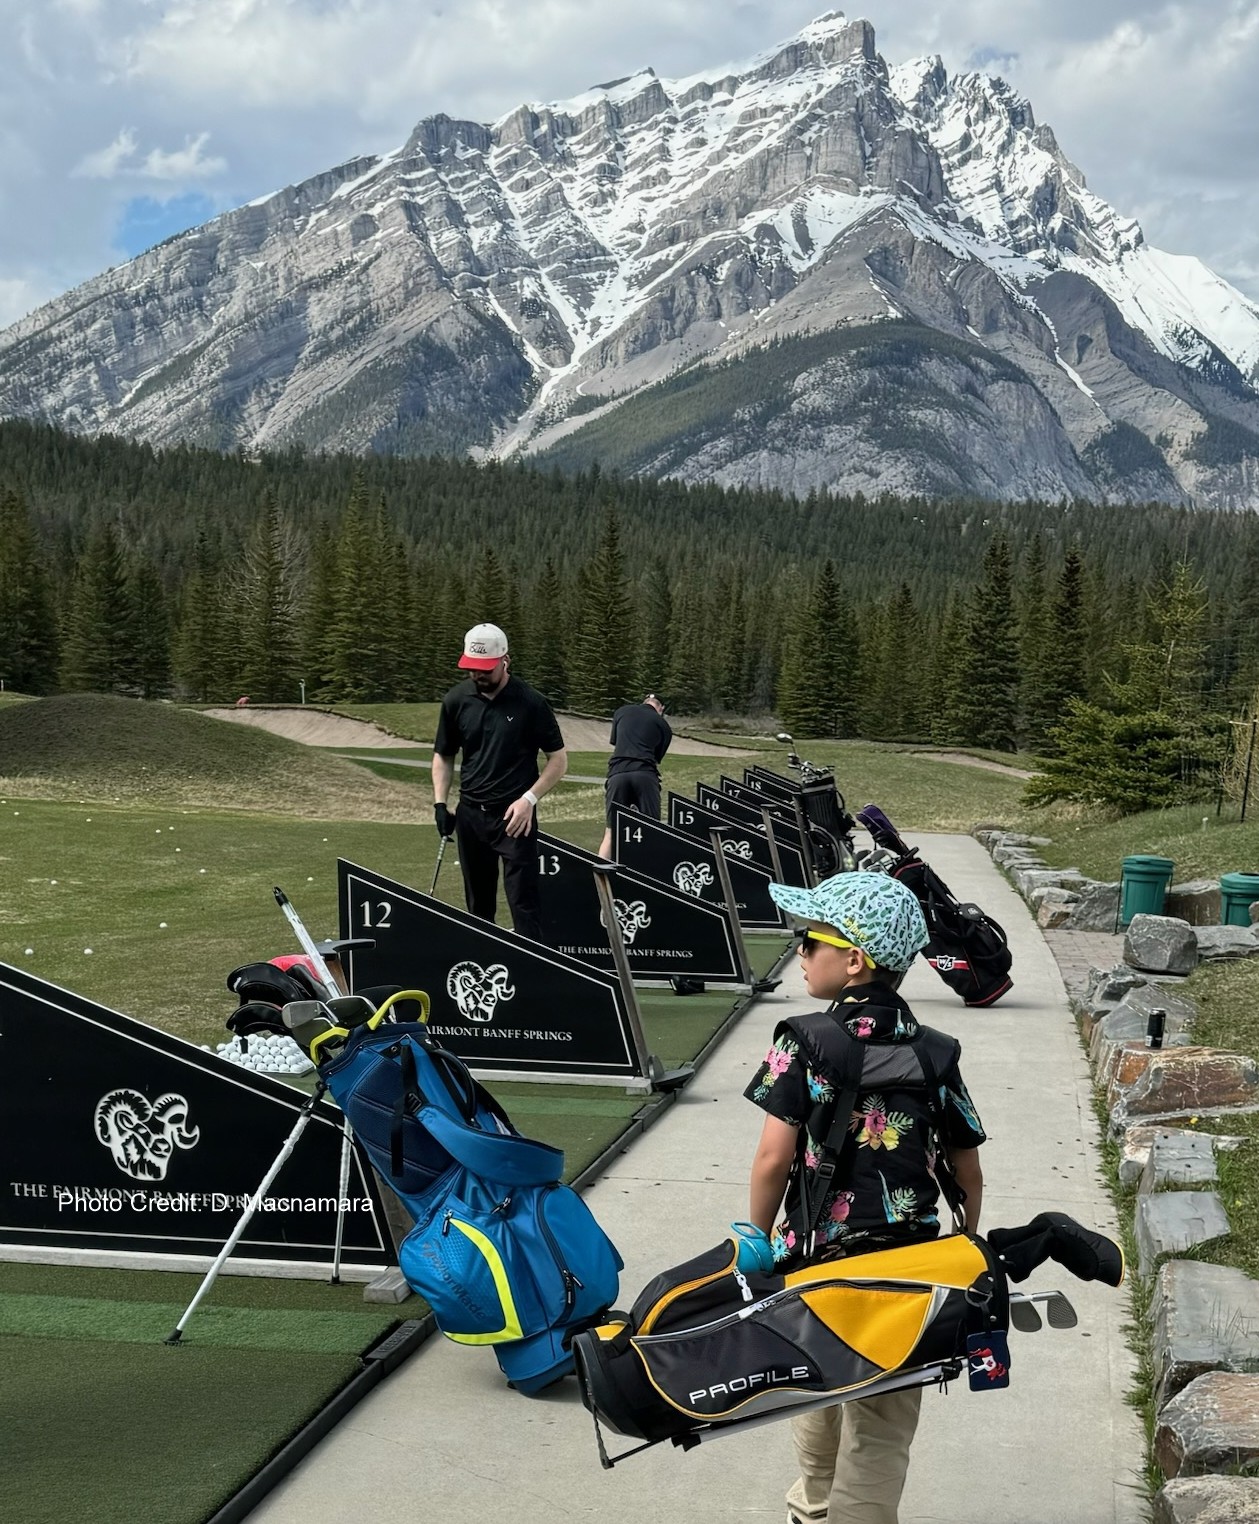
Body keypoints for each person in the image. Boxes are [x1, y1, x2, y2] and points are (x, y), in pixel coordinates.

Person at [742, 871, 987, 1524]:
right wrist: (963, 1248)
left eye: (807, 938)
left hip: (813, 1266)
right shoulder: (936, 1053)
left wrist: (752, 1235)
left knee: (814, 1389)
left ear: (852, 960)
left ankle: (812, 1508)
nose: (799, 950)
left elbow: (772, 1157)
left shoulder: (802, 1041)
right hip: (905, 1274)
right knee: (880, 1423)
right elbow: (966, 1171)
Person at [431, 623, 567, 943]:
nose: (478, 676)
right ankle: (485, 974)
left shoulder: (530, 702)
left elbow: (558, 760)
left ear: (505, 661)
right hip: (470, 815)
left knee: (524, 905)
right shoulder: (456, 701)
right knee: (478, 907)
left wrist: (529, 800)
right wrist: (440, 803)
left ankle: (533, 975)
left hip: (515, 817)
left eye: (485, 670)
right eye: (472, 670)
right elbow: (444, 756)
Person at [597, 693, 672, 859]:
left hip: (617, 773)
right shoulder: (663, 725)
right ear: (661, 708)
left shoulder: (621, 712)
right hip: (645, 774)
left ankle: (598, 880)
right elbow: (656, 758)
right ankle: (650, 877)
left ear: (644, 702)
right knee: (652, 830)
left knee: (610, 832)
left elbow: (617, 741)